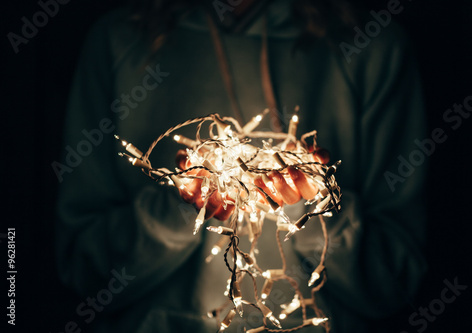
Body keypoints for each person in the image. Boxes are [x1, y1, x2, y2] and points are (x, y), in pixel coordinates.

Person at [56, 0, 427, 332]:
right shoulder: (120, 40)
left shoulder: (371, 46)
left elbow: (395, 282)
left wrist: (312, 208)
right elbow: (85, 271)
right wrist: (182, 207)